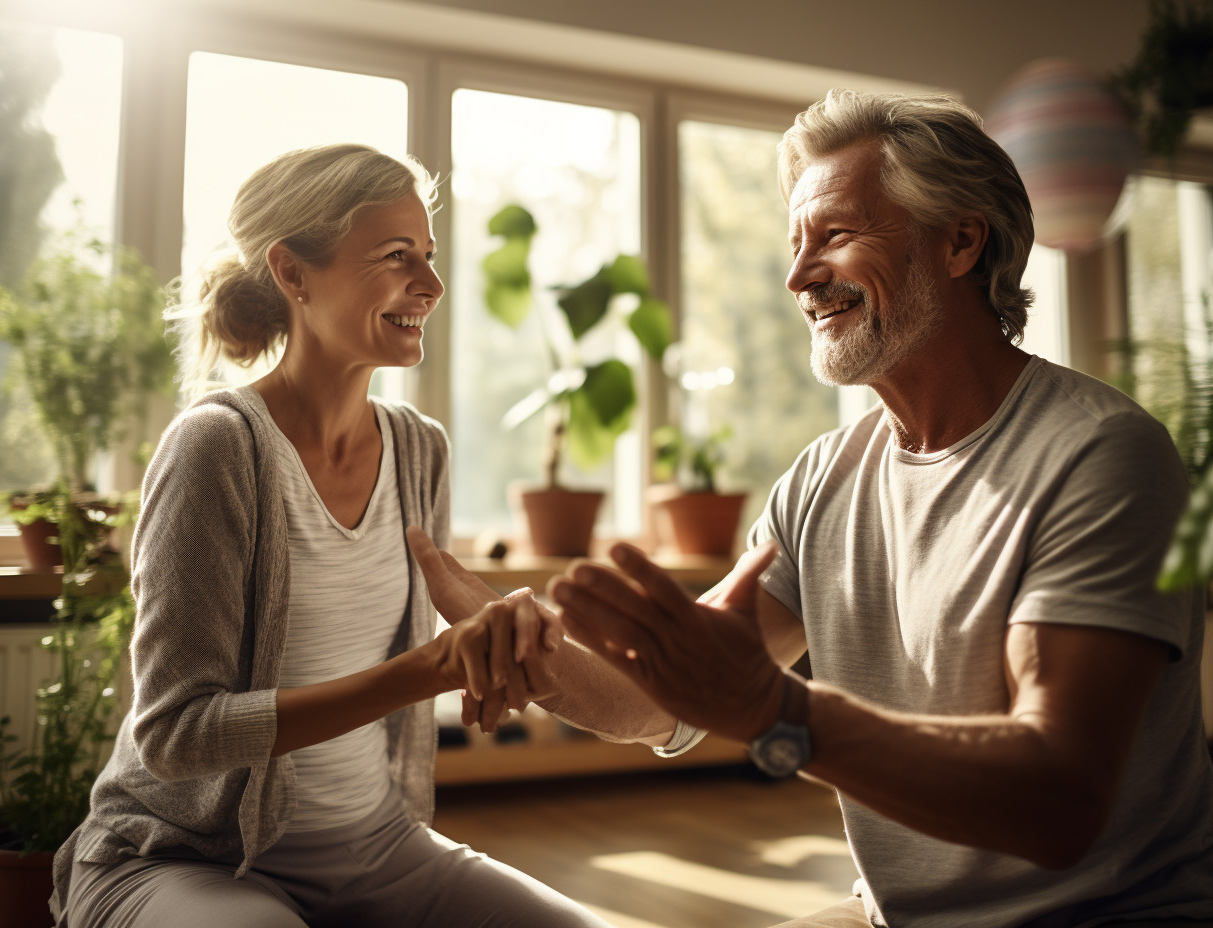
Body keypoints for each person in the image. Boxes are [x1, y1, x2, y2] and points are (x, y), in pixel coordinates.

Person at [409, 91, 1213, 927]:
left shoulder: (1101, 457)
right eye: (794, 246)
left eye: (833, 235)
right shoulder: (826, 476)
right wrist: (514, 635)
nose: (798, 277)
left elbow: (1058, 799)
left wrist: (776, 711)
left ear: (960, 241)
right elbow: (660, 701)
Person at [49, 143, 613, 928]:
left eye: (429, 255)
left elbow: (439, 649)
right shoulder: (218, 445)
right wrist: (426, 672)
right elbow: (176, 735)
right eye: (394, 256)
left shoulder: (421, 450)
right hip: (188, 858)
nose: (432, 285)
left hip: (379, 845)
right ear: (293, 273)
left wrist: (496, 645)